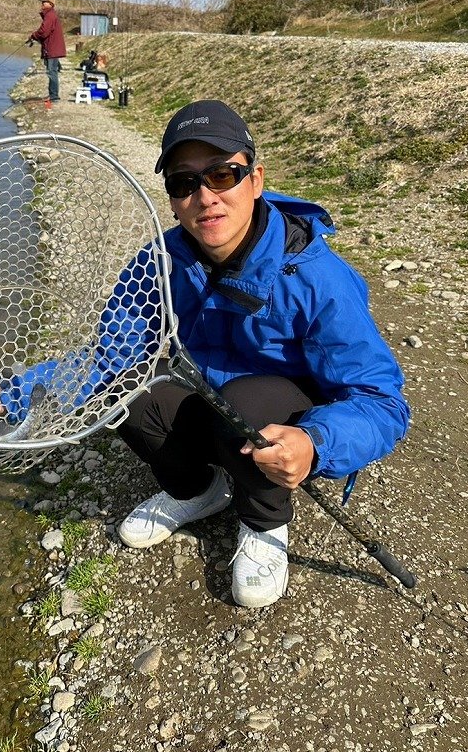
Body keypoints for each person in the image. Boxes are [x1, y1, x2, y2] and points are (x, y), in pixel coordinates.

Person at [113, 99, 410, 608]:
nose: (205, 197)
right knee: (121, 391)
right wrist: (16, 391)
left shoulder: (318, 278)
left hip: (275, 417)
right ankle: (198, 490)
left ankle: (265, 521)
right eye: (184, 183)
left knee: (251, 402)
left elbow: (383, 402)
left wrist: (315, 442)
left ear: (254, 178)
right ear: (172, 198)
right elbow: (110, 350)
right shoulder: (159, 260)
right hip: (207, 395)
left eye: (222, 175)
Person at [28, 0, 66, 103]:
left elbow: (43, 32)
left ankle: (54, 96)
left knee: (51, 72)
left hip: (52, 49)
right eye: (42, 2)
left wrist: (33, 35)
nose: (42, 4)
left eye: (44, 2)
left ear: (50, 4)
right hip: (52, 48)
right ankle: (52, 95)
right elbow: (45, 32)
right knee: (52, 71)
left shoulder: (50, 15)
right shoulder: (50, 15)